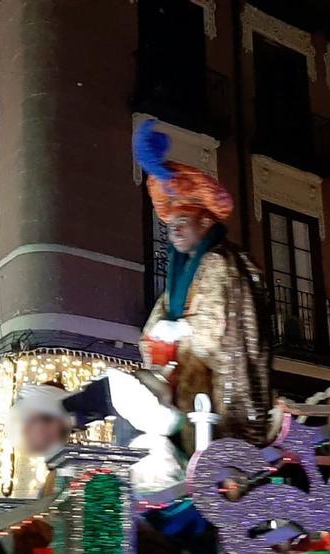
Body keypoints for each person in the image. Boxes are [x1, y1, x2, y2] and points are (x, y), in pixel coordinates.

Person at [133, 119, 273, 450]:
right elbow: (161, 317)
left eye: (183, 222)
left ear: (205, 221)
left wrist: (179, 331)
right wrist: (156, 336)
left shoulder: (219, 261)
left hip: (214, 385)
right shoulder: (181, 273)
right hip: (185, 380)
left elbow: (215, 329)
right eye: (171, 225)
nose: (175, 231)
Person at [11, 369, 184, 493]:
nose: (51, 436)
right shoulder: (70, 431)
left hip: (128, 398)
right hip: (132, 423)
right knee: (152, 469)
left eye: (45, 431)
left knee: (165, 424)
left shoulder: (76, 404)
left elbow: (166, 421)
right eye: (47, 441)